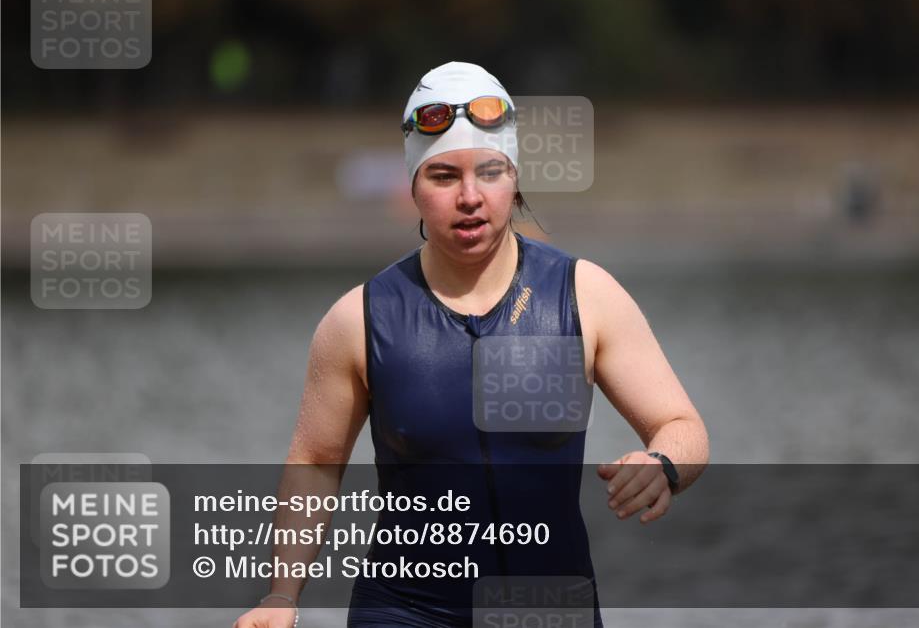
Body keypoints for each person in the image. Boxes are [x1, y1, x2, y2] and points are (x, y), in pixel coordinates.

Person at [233, 61, 709, 628]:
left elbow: (683, 425)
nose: (469, 197)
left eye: (490, 172)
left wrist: (663, 464)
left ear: (515, 177)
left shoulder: (584, 296)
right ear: (412, 186)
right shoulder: (360, 320)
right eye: (442, 177)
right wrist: (281, 598)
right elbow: (314, 462)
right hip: (404, 613)